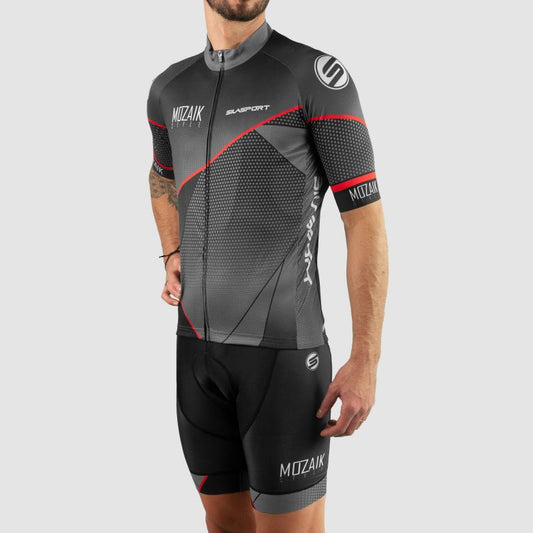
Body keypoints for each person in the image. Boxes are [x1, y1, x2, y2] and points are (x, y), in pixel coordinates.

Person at [147, 1, 388, 531]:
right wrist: (172, 251)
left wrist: (366, 358)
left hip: (285, 358)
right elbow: (162, 173)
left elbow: (365, 222)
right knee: (223, 526)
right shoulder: (169, 88)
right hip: (195, 354)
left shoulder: (313, 77)